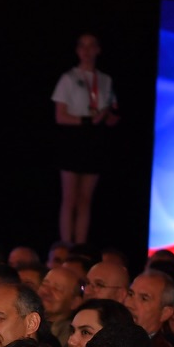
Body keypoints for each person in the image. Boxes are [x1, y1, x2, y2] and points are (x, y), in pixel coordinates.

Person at [52, 33, 118, 245]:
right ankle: (66, 246)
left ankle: (80, 247)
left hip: (95, 139)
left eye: (91, 46)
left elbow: (111, 113)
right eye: (82, 46)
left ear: (98, 50)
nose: (87, 51)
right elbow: (60, 116)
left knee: (85, 199)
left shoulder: (106, 80)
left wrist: (109, 117)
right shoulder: (68, 78)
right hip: (73, 138)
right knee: (69, 198)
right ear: (77, 50)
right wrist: (88, 120)